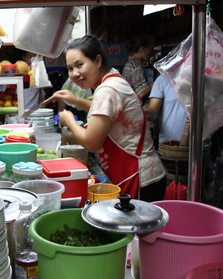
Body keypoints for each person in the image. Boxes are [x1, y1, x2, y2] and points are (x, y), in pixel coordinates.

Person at [52, 35, 166, 202]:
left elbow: (91, 142)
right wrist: (74, 100)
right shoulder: (112, 80)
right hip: (142, 175)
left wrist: (69, 120)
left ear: (98, 61)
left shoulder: (107, 89)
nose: (75, 73)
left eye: (80, 65)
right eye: (70, 68)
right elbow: (106, 110)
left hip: (142, 178)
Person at [144, 75, 187, 145]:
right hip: (168, 146)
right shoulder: (163, 79)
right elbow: (153, 112)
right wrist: (137, 111)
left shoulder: (202, 79)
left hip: (201, 147)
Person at [122, 34, 155, 104]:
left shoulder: (131, 63)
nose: (152, 52)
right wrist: (156, 83)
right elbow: (141, 93)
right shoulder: (136, 65)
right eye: (151, 49)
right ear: (143, 49)